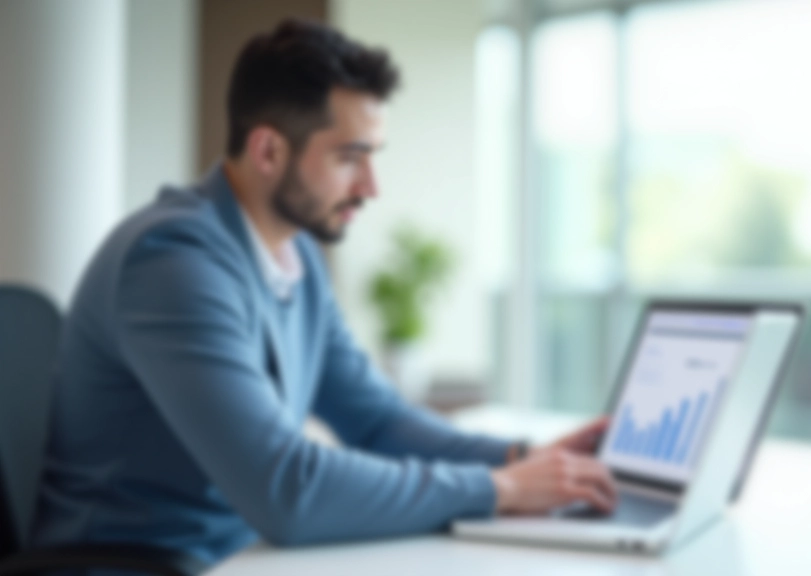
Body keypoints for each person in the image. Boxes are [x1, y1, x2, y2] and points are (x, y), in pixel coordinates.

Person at [31, 18, 617, 568]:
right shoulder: (173, 265)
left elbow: (376, 421)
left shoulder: (296, 258)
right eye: (348, 158)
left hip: (242, 556)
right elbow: (286, 489)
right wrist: (499, 492)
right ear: (268, 151)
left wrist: (519, 459)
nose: (371, 187)